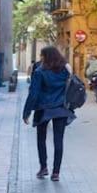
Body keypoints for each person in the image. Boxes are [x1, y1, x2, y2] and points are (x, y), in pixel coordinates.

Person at [23, 46, 75, 182]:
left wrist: (27, 112)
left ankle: (43, 167)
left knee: (41, 138)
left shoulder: (40, 72)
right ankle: (56, 172)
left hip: (43, 109)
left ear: (45, 56)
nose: (41, 58)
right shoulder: (65, 70)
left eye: (42, 55)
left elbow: (33, 93)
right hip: (61, 109)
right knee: (58, 140)